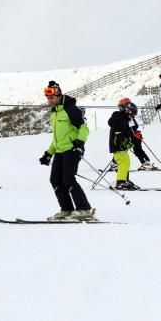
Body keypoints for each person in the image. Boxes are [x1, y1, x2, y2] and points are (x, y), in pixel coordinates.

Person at [39, 80, 95, 221]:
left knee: (68, 178)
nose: (49, 101)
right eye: (47, 98)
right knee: (55, 180)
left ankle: (84, 209)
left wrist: (80, 142)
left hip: (73, 149)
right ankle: (67, 209)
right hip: (60, 150)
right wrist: (48, 153)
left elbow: (84, 128)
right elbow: (57, 138)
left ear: (58, 95)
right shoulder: (54, 113)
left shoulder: (71, 109)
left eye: (51, 98)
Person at [108, 98, 139, 190]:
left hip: (121, 146)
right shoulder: (119, 118)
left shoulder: (124, 119)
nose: (133, 117)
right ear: (127, 112)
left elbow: (126, 132)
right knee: (123, 164)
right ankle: (121, 182)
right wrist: (124, 142)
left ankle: (125, 180)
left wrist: (130, 140)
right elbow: (118, 133)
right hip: (117, 146)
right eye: (132, 115)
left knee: (126, 163)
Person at [125, 100, 157, 171]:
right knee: (133, 150)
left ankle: (146, 162)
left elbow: (141, 124)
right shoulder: (125, 116)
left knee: (138, 149)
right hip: (129, 135)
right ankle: (145, 162)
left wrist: (138, 132)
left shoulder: (135, 116)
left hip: (136, 135)